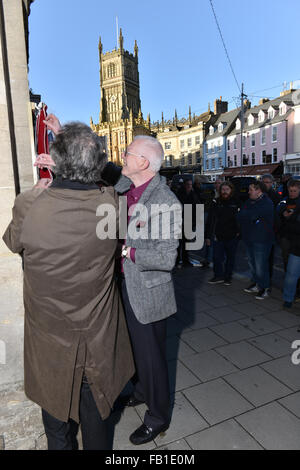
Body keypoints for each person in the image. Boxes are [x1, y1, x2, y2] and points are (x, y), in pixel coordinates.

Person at [3, 122, 135, 450]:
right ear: (96, 164)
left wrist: (49, 178)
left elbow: (11, 242)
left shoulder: (30, 204)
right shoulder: (111, 205)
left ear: (57, 163)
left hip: (51, 340)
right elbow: (125, 181)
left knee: (58, 429)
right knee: (97, 426)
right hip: (98, 340)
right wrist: (82, 158)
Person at [114, 135, 182, 445]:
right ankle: (140, 391)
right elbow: (98, 170)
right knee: (135, 348)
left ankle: (158, 417)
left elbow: (167, 258)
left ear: (142, 162)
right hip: (127, 286)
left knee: (153, 358)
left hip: (149, 292)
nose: (122, 156)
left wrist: (130, 252)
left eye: (127, 153)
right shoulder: (127, 187)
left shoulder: (166, 202)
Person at [238, 180, 275, 300]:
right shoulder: (249, 201)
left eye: (251, 190)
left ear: (259, 190)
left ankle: (264, 288)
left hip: (262, 239)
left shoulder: (267, 203)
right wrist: (248, 215)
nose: (248, 192)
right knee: (252, 264)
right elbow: (240, 215)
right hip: (249, 237)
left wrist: (247, 214)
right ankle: (256, 283)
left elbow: (251, 215)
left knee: (261, 265)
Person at [205, 182, 240, 285]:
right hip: (218, 236)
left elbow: (241, 219)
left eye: (227, 189)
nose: (224, 191)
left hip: (232, 236)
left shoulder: (237, 202)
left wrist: (239, 232)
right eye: (223, 189)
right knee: (217, 258)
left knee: (230, 258)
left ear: (231, 190)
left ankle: (228, 277)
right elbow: (210, 220)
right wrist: (207, 236)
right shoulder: (216, 202)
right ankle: (218, 276)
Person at [261, 174, 280, 288]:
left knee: (268, 258)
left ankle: (267, 283)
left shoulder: (275, 197)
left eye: (268, 182)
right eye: (264, 182)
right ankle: (258, 280)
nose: (266, 184)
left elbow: (277, 217)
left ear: (272, 183)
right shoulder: (258, 194)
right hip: (258, 232)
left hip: (269, 231)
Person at [276, 179, 300, 271]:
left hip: (297, 237)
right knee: (286, 257)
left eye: (295, 191)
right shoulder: (285, 200)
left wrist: (292, 216)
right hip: (286, 235)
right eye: (290, 191)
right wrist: (283, 214)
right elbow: (278, 209)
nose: (292, 193)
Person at [177, 179, 200, 266]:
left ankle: (185, 260)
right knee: (179, 242)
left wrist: (195, 222)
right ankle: (177, 260)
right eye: (187, 184)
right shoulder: (179, 194)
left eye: (190, 184)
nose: (189, 186)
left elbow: (196, 208)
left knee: (186, 242)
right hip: (179, 221)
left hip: (188, 220)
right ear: (184, 185)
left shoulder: (194, 195)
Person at [282, 204, 300, 307]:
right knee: (291, 275)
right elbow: (291, 226)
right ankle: (288, 299)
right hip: (297, 248)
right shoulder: (298, 208)